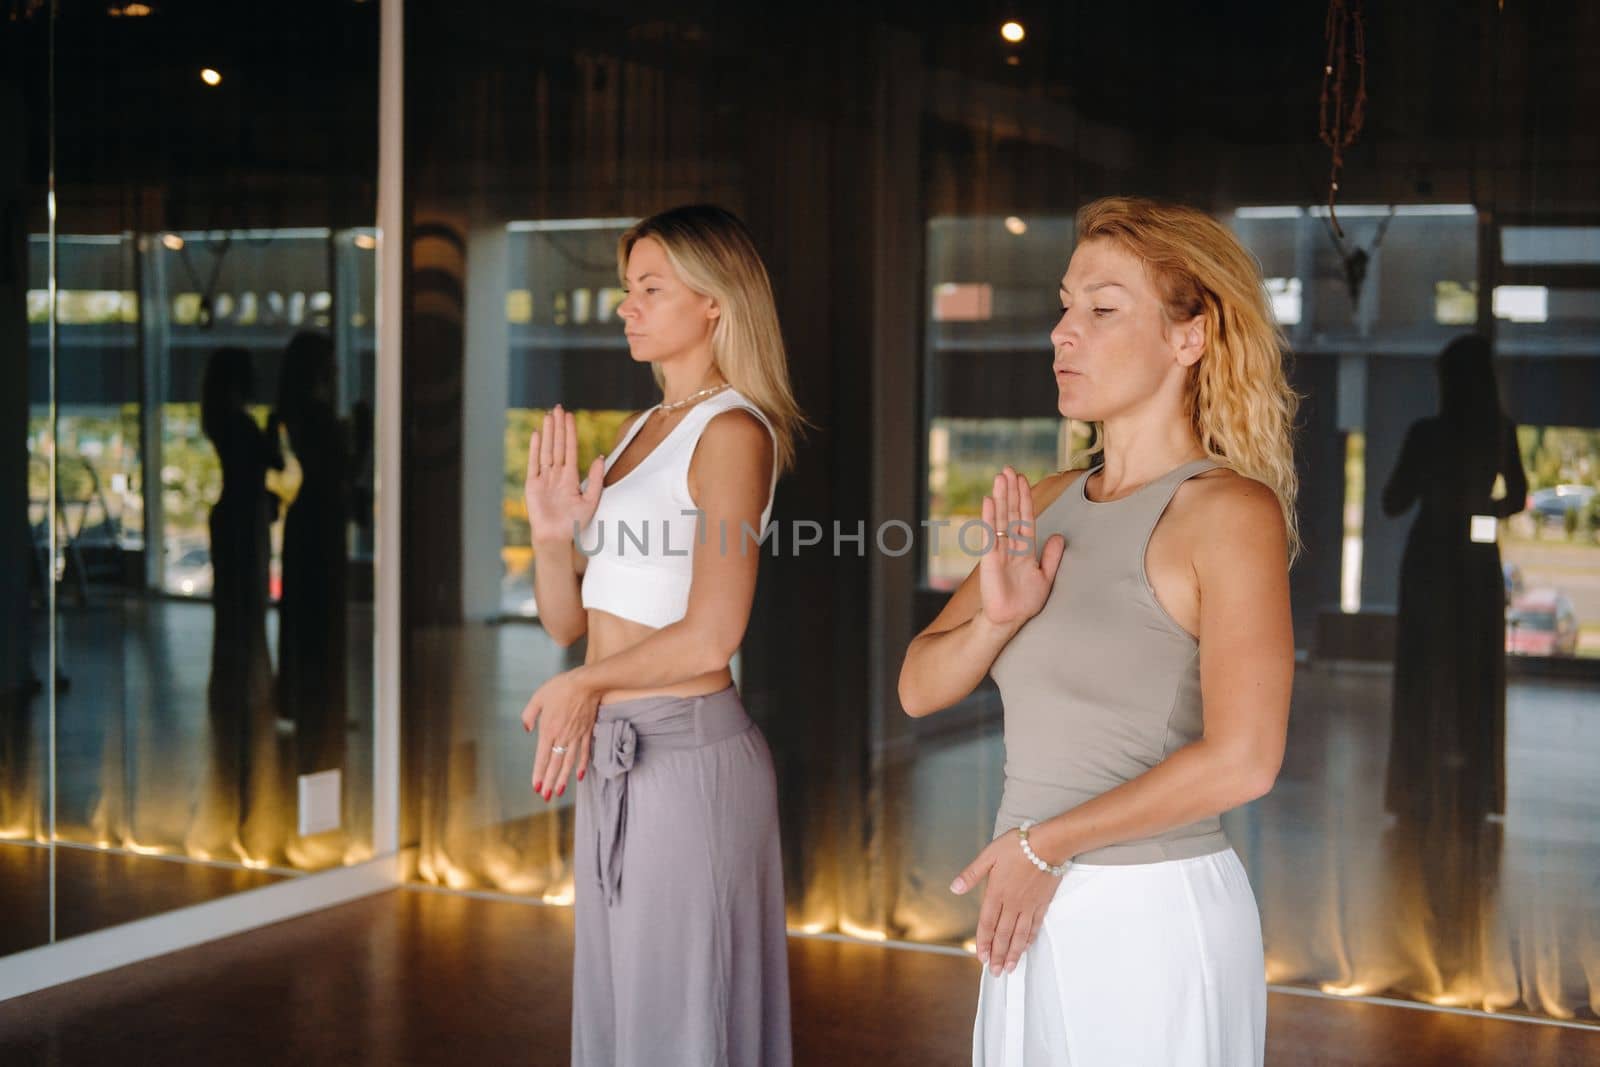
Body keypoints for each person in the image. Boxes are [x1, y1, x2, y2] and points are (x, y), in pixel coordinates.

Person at [899, 196, 1298, 1066]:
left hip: (1148, 916)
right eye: (1065, 306)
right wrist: (995, 622)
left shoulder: (1230, 511)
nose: (1062, 332)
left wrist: (1044, 847)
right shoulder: (1046, 502)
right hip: (1026, 905)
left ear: (1189, 337)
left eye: (1103, 309)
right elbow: (919, 684)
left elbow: (1246, 759)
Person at [519, 204, 803, 1066]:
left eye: (650, 287)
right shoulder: (643, 431)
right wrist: (550, 535)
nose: (626, 305)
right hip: (617, 758)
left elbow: (714, 633)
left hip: (688, 765)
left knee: (686, 1026)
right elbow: (572, 622)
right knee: (622, 1025)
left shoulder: (733, 432)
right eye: (625, 288)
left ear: (715, 302)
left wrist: (584, 687)